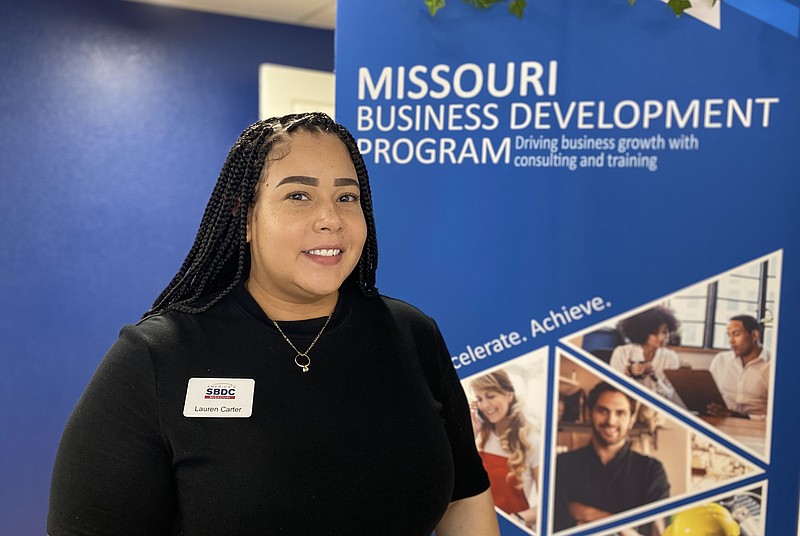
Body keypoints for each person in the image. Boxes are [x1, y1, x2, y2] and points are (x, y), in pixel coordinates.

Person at [47, 113, 499, 536]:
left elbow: (465, 495)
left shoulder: (411, 335)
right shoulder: (158, 356)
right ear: (244, 218)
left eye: (347, 197)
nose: (331, 219)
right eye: (298, 196)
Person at [553, 382, 669, 534]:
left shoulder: (651, 470)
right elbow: (556, 526)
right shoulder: (563, 464)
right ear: (589, 413)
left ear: (631, 419)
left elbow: (659, 532)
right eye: (603, 411)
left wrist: (586, 513)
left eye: (620, 413)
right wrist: (625, 529)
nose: (611, 421)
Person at [469, 370, 540, 527]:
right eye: (479, 399)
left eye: (491, 396)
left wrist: (517, 519)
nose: (485, 405)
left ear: (509, 395)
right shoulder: (480, 434)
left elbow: (549, 503)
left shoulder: (532, 440)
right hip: (479, 525)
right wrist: (471, 435)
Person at [610, 306, 681, 402]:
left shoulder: (671, 357)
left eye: (665, 332)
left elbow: (670, 395)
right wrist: (629, 373)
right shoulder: (621, 353)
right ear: (643, 332)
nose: (662, 337)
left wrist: (655, 378)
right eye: (655, 333)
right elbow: (614, 390)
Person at [707, 315, 771, 419]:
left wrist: (743, 417)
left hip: (755, 427)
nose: (731, 341)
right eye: (729, 335)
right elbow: (709, 395)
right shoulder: (721, 360)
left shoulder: (772, 365)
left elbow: (780, 415)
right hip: (721, 421)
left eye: (736, 334)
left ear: (754, 335)